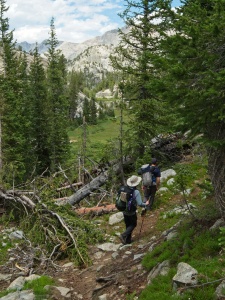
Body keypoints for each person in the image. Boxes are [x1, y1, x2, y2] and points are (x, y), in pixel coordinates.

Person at [119, 175, 148, 245]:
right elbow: (140, 203)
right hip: (131, 211)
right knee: (133, 224)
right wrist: (146, 204)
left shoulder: (124, 189)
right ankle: (123, 235)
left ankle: (128, 240)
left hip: (124, 210)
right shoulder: (136, 192)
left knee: (128, 225)